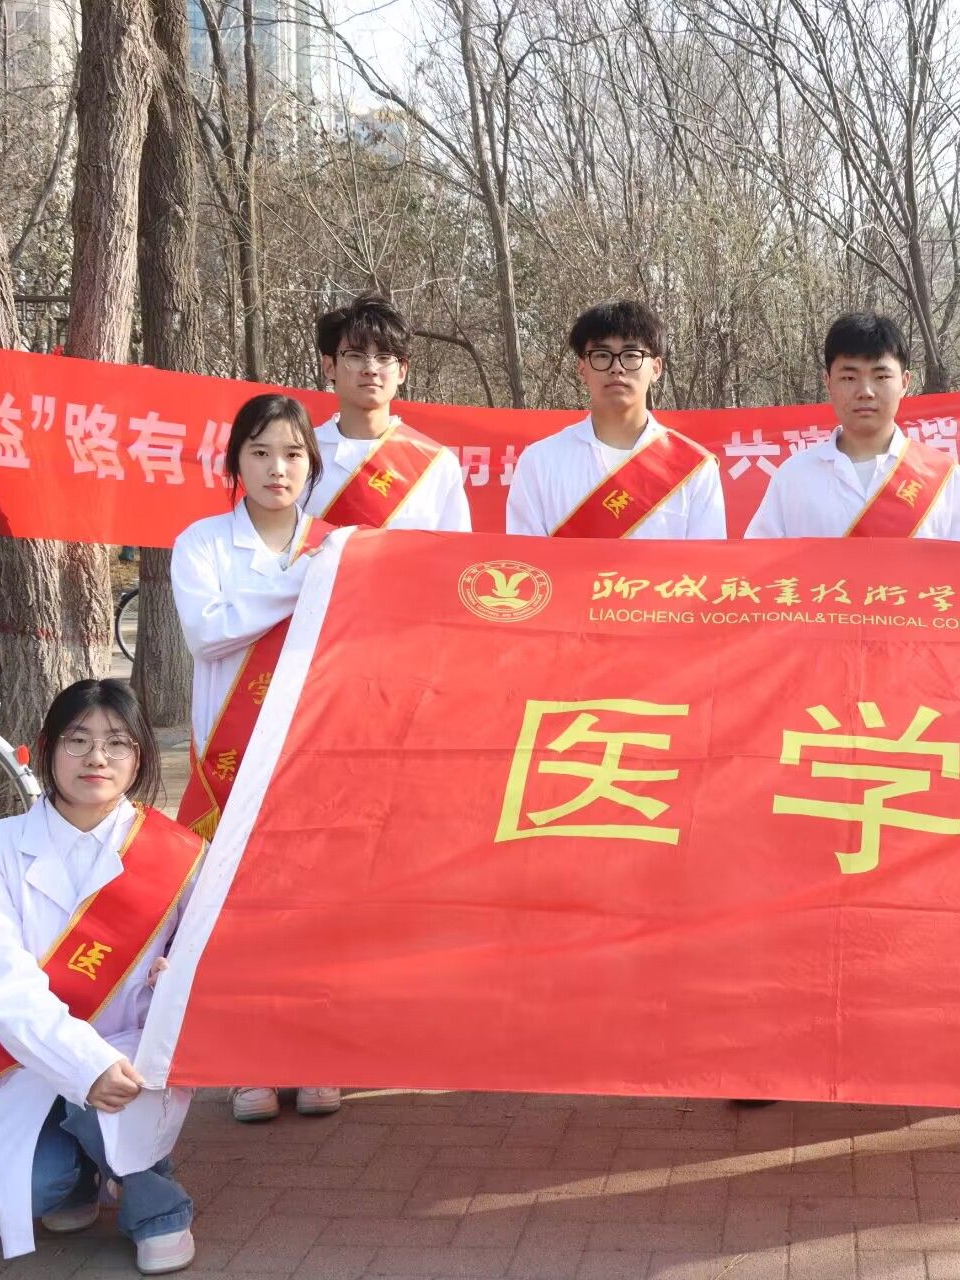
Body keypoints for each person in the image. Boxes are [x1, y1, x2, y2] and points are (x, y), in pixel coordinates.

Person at [0, 679, 203, 1275]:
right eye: (78, 740)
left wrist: (181, 971)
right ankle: (80, 1175)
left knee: (114, 1096)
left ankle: (157, 1207)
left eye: (117, 743)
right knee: (34, 1191)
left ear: (139, 756)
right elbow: (0, 984)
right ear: (46, 748)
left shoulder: (179, 852)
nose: (97, 757)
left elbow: (207, 952)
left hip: (135, 1047)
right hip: (26, 1057)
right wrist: (81, 1065)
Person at [171, 394, 342, 1125]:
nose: (279, 468)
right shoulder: (202, 543)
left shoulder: (339, 545)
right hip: (231, 753)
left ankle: (315, 1053)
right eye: (262, 452)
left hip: (315, 750)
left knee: (313, 907)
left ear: (312, 463)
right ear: (236, 460)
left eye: (294, 454)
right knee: (233, 908)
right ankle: (247, 1061)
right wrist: (301, 583)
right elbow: (207, 632)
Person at [745, 312, 960, 542]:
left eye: (881, 377)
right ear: (828, 383)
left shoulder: (944, 478)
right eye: (849, 378)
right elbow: (758, 565)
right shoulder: (794, 477)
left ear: (905, 383)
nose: (865, 391)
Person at [506, 301, 725, 538]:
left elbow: (706, 560)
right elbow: (526, 558)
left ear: (656, 369)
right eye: (602, 355)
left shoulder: (694, 468)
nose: (617, 367)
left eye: (631, 355)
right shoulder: (540, 462)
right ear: (582, 369)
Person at [306, 294, 472, 532]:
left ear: (402, 370)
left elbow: (454, 551)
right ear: (329, 367)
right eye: (355, 356)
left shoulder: (436, 465)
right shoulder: (302, 455)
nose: (371, 369)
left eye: (384, 358)